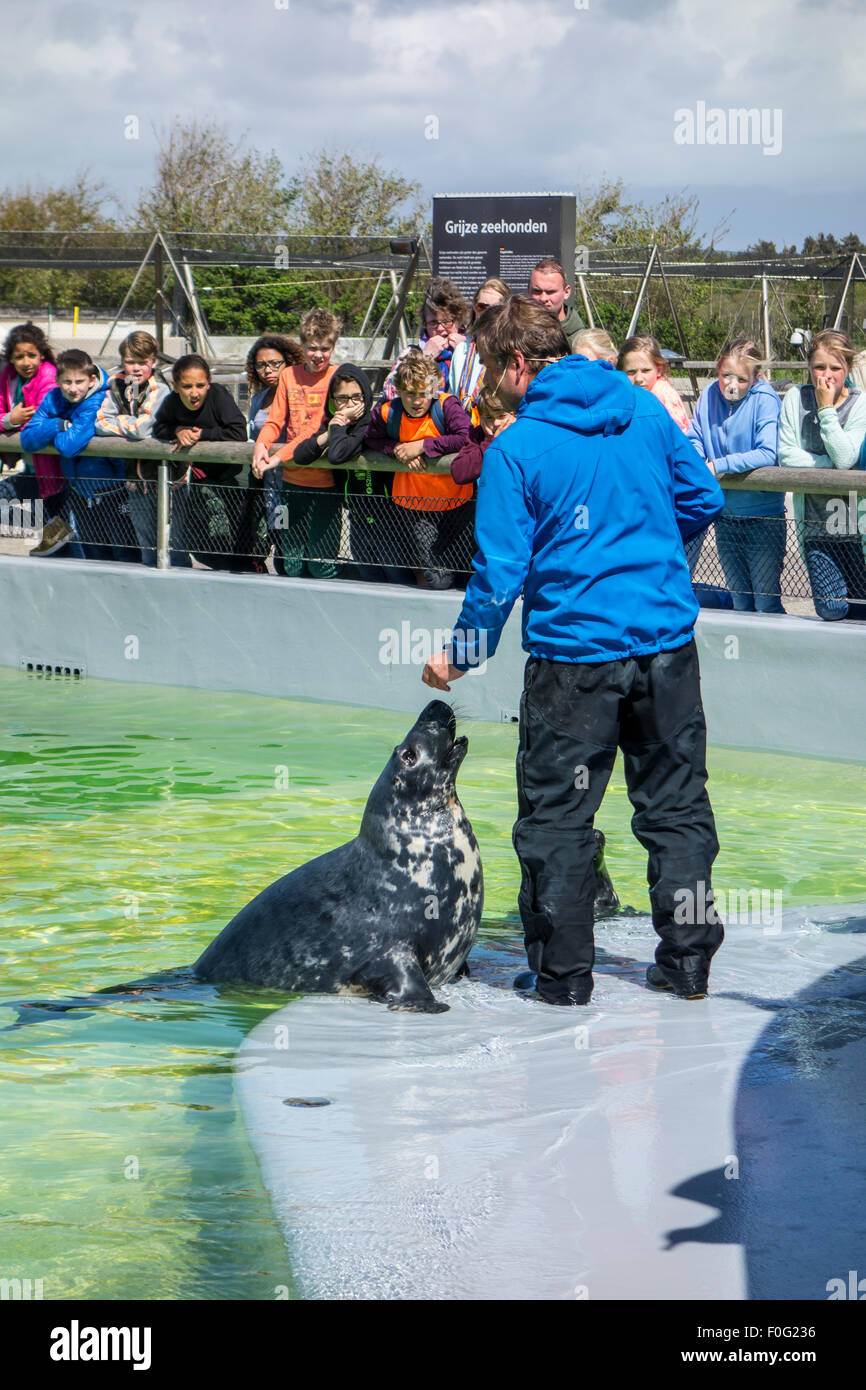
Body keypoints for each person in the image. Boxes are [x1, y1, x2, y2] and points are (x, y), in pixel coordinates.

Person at [421, 296, 726, 1006]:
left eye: (493, 370)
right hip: (667, 646)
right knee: (676, 805)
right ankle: (687, 965)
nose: (490, 384)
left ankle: (562, 977)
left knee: (559, 818)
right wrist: (644, 546)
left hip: (573, 659)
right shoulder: (646, 410)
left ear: (519, 364)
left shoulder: (517, 448)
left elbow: (500, 575)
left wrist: (459, 655)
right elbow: (703, 498)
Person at [687, 338, 784, 613]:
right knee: (740, 602)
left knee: (766, 601)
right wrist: (697, 459)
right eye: (725, 375)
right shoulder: (708, 396)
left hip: (762, 517)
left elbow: (767, 452)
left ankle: (776, 652)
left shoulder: (765, 400)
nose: (732, 384)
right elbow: (695, 436)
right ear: (717, 370)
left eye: (742, 379)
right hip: (725, 517)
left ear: (756, 377)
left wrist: (719, 466)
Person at [778, 329, 866, 621]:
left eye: (835, 368)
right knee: (831, 608)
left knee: (861, 608)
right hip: (816, 526)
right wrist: (830, 463)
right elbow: (787, 455)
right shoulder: (795, 398)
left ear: (848, 369)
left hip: (854, 526)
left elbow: (846, 457)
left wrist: (826, 408)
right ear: (809, 368)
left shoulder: (860, 403)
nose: (826, 375)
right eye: (819, 367)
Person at [364, 351, 471, 588]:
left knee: (466, 571)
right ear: (399, 391)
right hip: (418, 507)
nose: (417, 400)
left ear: (434, 389)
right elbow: (370, 439)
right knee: (438, 578)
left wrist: (423, 445)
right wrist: (397, 449)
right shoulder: (387, 412)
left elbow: (466, 438)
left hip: (458, 502)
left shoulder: (446, 405)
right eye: (410, 394)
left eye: (424, 393)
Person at [20, 349, 138, 562]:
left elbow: (68, 446)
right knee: (93, 554)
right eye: (67, 382)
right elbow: (27, 439)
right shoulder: (54, 398)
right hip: (80, 491)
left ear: (92, 379)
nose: (73, 389)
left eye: (79, 381)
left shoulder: (98, 400)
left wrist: (48, 432)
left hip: (112, 490)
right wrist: (59, 424)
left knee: (124, 553)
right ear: (57, 380)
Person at [250, 308, 342, 579]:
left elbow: (316, 431)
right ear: (302, 346)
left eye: (325, 348)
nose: (318, 355)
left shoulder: (339, 377)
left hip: (326, 487)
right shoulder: (289, 376)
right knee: (289, 560)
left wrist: (277, 457)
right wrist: (261, 446)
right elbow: (274, 421)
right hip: (289, 487)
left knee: (320, 563)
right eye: (312, 348)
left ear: (333, 346)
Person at [94, 331, 188, 566]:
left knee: (173, 543)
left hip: (168, 478)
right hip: (135, 479)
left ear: (153, 362)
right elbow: (100, 422)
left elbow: (143, 429)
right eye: (130, 361)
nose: (135, 368)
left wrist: (120, 422)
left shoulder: (160, 389)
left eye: (142, 362)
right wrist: (129, 423)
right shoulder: (118, 384)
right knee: (145, 542)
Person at [291, 363, 388, 581]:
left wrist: (338, 426)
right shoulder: (335, 425)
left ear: (365, 396)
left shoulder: (369, 423)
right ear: (333, 401)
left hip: (385, 514)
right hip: (357, 514)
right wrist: (329, 432)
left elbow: (337, 455)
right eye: (342, 398)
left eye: (356, 397)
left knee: (393, 571)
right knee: (366, 570)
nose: (350, 404)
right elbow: (300, 455)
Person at [153, 354, 248, 570]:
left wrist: (201, 434)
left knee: (238, 538)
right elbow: (159, 427)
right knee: (201, 542)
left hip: (232, 479)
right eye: (187, 386)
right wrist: (177, 430)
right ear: (175, 386)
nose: (194, 393)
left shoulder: (218, 396)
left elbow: (239, 432)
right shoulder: (172, 402)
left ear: (209, 383)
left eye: (200, 385)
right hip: (200, 482)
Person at [0, 323, 67, 554]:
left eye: (31, 355)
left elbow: (41, 423)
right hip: (31, 469)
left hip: (55, 474)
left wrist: (15, 423)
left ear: (41, 354)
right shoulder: (8, 376)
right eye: (19, 357)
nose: (26, 362)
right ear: (10, 359)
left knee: (61, 538)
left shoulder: (49, 377)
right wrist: (10, 419)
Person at [245, 334, 305, 574]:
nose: (267, 370)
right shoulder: (260, 396)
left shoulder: (298, 394)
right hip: (268, 484)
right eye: (261, 365)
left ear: (288, 362)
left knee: (292, 542)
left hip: (293, 479)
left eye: (274, 363)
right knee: (277, 537)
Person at [382, 280, 471, 402]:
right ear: (425, 324)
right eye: (433, 322)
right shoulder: (412, 353)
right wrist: (424, 359)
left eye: (446, 321)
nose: (440, 328)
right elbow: (390, 393)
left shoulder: (474, 351)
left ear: (459, 321)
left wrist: (467, 353)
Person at [449, 278, 511, 411]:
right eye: (482, 307)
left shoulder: (510, 351)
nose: (487, 313)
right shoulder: (461, 350)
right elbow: (452, 396)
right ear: (474, 308)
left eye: (494, 308)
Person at [618, 334, 690, 432]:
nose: (638, 378)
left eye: (646, 370)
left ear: (659, 370)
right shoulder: (628, 394)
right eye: (631, 372)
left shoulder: (664, 396)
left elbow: (677, 436)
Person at [449, 385, 516, 486]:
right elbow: (459, 473)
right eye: (489, 417)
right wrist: (490, 443)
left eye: (501, 416)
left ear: (514, 414)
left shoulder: (523, 430)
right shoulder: (479, 435)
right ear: (482, 419)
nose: (496, 423)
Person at [528, 257, 585, 348]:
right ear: (528, 290)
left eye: (551, 292)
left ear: (566, 292)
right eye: (537, 291)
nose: (543, 298)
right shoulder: (517, 333)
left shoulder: (581, 342)